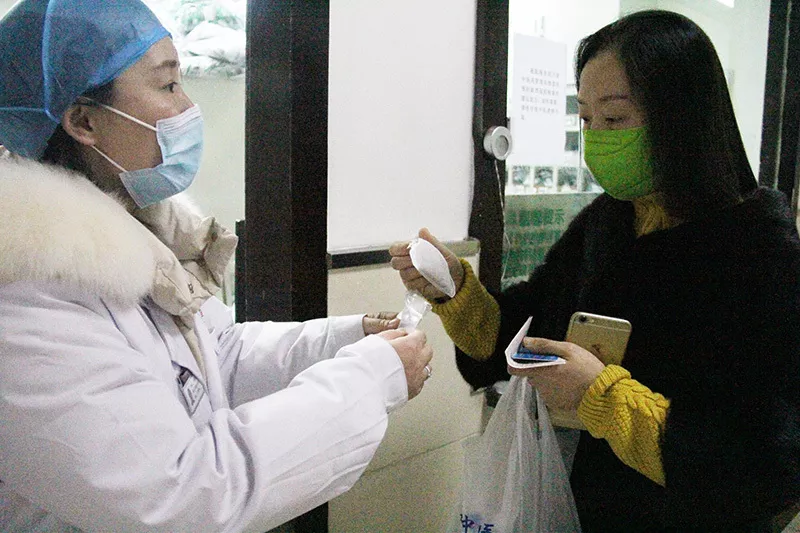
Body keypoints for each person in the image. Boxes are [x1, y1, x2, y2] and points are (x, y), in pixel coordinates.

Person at [0, 0, 434, 531]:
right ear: (84, 121)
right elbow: (180, 495)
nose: (188, 106)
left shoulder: (132, 238)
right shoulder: (26, 299)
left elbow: (216, 360)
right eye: (168, 86)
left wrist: (348, 340)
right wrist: (369, 379)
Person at [391, 10, 800, 532]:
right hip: (577, 509)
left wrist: (600, 397)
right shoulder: (606, 223)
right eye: (585, 119)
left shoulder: (760, 252)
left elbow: (768, 464)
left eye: (615, 118)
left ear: (682, 119)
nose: (596, 139)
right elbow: (518, 336)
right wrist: (456, 293)